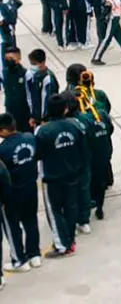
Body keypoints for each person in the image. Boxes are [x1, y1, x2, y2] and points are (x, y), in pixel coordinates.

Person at [35, 93, 85, 258]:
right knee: (71, 207)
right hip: (72, 173)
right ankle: (70, 239)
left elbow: (39, 154)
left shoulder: (42, 131)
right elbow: (82, 149)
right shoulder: (75, 125)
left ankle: (62, 245)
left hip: (52, 177)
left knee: (54, 211)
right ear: (65, 109)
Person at [0, 112, 41, 271]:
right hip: (31, 187)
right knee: (31, 220)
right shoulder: (30, 138)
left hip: (12, 193)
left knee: (12, 226)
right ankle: (34, 254)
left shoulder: (2, 150)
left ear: (4, 131)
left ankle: (19, 260)